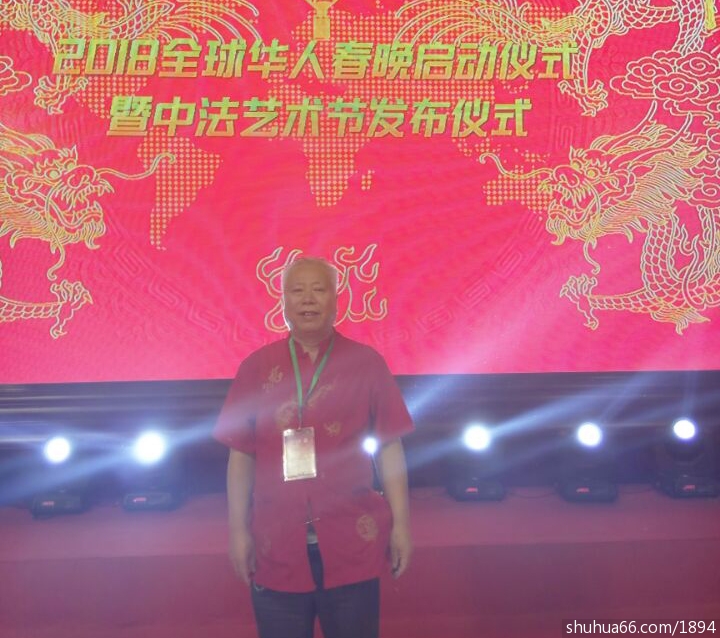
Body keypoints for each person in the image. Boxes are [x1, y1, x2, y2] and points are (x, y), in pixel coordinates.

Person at [214, 257, 414, 638]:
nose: (308, 299)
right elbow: (240, 454)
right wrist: (237, 530)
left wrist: (402, 524)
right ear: (284, 302)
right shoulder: (256, 367)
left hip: (351, 540)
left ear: (336, 300)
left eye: (319, 290)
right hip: (276, 546)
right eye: (297, 290)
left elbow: (390, 446)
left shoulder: (366, 363)